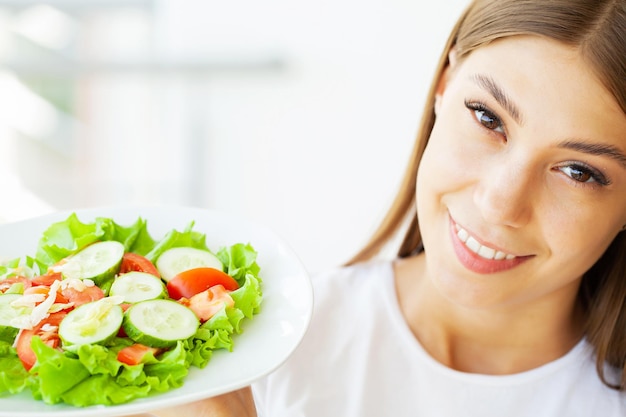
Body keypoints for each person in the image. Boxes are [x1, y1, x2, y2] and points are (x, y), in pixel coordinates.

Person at [139, 0, 626, 415]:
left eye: (579, 172)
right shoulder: (252, 361)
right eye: (486, 118)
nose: (499, 203)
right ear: (444, 84)